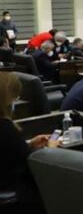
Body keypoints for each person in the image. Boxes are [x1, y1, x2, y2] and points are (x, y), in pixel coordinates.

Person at [0, 72, 49, 205]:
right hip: (13, 188)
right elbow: (28, 164)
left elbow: (9, 151)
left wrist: (29, 144)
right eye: (15, 97)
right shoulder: (5, 127)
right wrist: (50, 151)